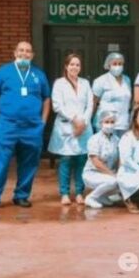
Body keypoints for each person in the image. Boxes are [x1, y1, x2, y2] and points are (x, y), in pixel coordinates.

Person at [0, 41, 51, 211]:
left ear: (32, 55)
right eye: (21, 50)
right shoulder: (3, 72)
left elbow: (46, 98)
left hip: (32, 127)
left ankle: (21, 196)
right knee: (0, 162)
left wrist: (43, 121)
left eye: (28, 51)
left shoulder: (39, 74)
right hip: (7, 126)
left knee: (29, 163)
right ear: (15, 53)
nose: (24, 54)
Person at [48, 53, 94, 205]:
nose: (75, 67)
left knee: (81, 160)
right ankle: (65, 193)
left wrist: (84, 121)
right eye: (72, 64)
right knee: (66, 161)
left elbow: (90, 104)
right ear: (66, 66)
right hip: (66, 126)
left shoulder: (85, 83)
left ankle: (80, 192)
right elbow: (57, 105)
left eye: (78, 65)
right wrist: (75, 119)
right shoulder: (59, 83)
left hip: (83, 127)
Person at [82, 110, 121, 209]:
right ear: (100, 123)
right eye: (106, 122)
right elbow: (96, 162)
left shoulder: (116, 140)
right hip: (92, 173)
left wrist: (119, 173)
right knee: (113, 181)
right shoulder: (94, 139)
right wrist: (112, 175)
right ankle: (91, 198)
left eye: (112, 122)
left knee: (123, 181)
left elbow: (119, 159)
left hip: (108, 174)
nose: (109, 125)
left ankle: (102, 196)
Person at [92, 52, 131, 136]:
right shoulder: (100, 80)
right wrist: (89, 120)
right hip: (106, 122)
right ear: (108, 65)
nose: (118, 66)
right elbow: (94, 102)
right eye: (115, 64)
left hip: (123, 123)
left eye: (120, 64)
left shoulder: (127, 80)